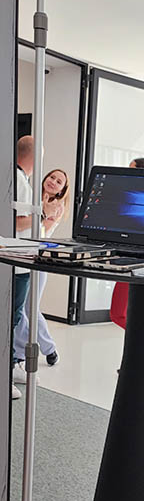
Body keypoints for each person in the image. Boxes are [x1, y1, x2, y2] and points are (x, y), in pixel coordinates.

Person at [13, 169, 70, 383]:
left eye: (59, 181)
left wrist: (43, 212)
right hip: (21, 257)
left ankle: (48, 348)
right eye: (52, 177)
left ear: (62, 189)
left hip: (38, 260)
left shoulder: (56, 207)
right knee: (20, 311)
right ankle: (24, 352)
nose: (53, 182)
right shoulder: (31, 196)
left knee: (30, 310)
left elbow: (41, 234)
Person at [110, 157, 144, 339]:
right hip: (131, 260)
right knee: (121, 314)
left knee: (120, 314)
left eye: (131, 169)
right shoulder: (134, 196)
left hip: (143, 263)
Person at [12, 136, 35, 399]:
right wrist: (41, 213)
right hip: (17, 260)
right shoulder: (19, 180)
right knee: (12, 318)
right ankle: (6, 369)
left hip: (22, 259)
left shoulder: (20, 179)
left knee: (16, 316)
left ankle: (12, 364)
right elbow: (15, 222)